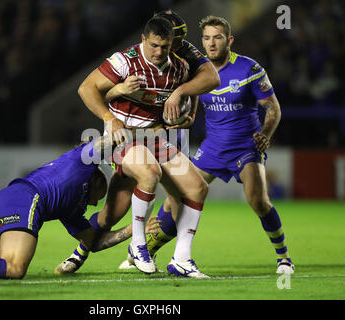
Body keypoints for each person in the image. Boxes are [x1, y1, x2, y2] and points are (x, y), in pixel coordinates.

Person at [121, 15, 295, 274]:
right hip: (212, 148)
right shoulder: (196, 70)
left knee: (257, 200)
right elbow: (195, 93)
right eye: (206, 38)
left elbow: (273, 108)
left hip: (246, 147)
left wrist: (266, 134)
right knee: (175, 199)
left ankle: (283, 258)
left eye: (217, 38)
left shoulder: (249, 69)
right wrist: (189, 115)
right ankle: (145, 252)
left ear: (229, 40)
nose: (211, 43)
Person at [58, 14, 219, 277]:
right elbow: (86, 89)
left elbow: (198, 86)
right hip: (123, 138)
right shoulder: (125, 61)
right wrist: (110, 117)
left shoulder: (178, 68)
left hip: (155, 139)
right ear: (144, 39)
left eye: (165, 47)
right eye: (154, 45)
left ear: (172, 45)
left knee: (196, 188)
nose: (159, 52)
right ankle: (138, 245)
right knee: (149, 173)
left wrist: (188, 110)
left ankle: (181, 259)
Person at [0, 140, 158, 280]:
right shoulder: (81, 163)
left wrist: (134, 230)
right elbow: (105, 141)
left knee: (2, 268)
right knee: (15, 269)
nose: (94, 204)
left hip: (2, 202)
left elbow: (93, 243)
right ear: (94, 182)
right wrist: (126, 135)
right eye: (97, 197)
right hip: (24, 200)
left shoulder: (71, 210)